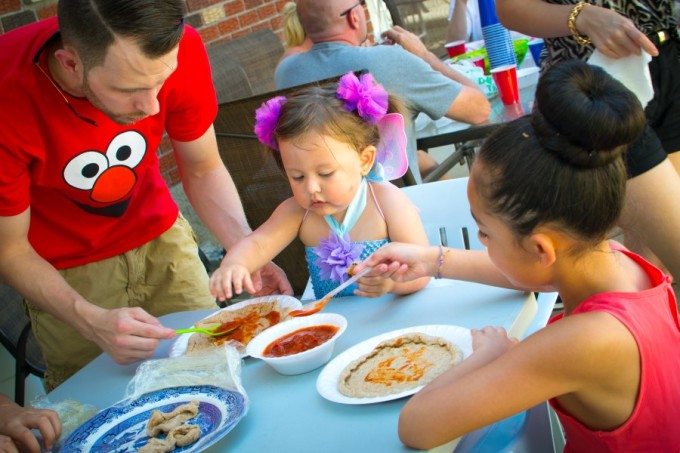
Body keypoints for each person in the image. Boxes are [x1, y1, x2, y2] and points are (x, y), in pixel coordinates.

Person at [358, 60, 680, 450]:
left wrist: (491, 354)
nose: (481, 242)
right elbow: (527, 271)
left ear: (540, 248)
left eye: (484, 232)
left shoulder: (582, 342)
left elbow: (417, 427)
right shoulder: (618, 260)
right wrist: (431, 260)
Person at [0, 0, 291, 391]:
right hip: (64, 271)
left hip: (161, 237)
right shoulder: (7, 93)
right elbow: (10, 249)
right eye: (130, 89)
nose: (152, 105)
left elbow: (202, 167)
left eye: (161, 82)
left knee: (216, 372)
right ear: (70, 64)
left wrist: (245, 247)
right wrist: (90, 320)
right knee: (100, 402)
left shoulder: (177, 46)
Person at [496, 0, 680, 280]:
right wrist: (580, 16)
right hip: (593, 80)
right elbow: (511, 9)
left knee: (655, 259)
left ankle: (651, 319)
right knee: (660, 244)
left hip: (669, 57)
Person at [209, 72, 430, 301]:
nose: (312, 187)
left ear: (364, 160)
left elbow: (423, 269)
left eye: (325, 173)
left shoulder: (386, 203)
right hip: (331, 324)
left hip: (393, 322)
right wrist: (234, 263)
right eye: (297, 177)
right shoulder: (297, 212)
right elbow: (258, 244)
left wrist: (390, 283)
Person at [275, 0, 490, 184]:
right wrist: (424, 56)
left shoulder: (286, 72)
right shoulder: (388, 61)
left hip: (325, 207)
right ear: (354, 17)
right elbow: (479, 110)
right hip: (393, 209)